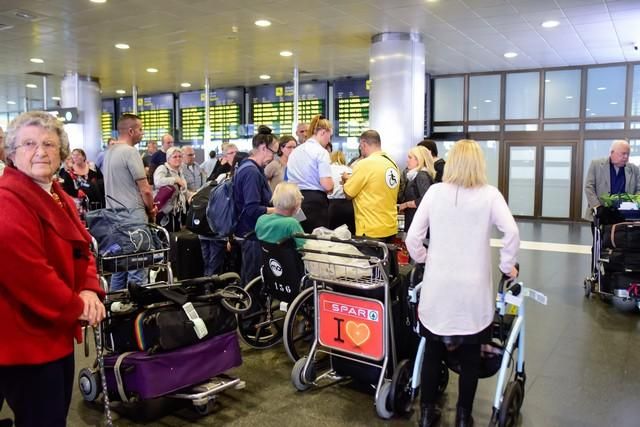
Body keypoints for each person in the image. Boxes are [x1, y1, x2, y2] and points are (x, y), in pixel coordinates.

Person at [0, 111, 106, 427]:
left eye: (49, 143)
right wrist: (78, 307)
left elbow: (82, 245)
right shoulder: (9, 201)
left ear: (61, 153)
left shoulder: (54, 192)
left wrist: (88, 287)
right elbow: (31, 276)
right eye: (29, 143)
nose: (40, 151)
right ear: (11, 153)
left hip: (52, 332)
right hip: (24, 339)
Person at [405, 139, 519, 427]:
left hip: (438, 285)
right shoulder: (490, 195)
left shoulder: (434, 193)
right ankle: (464, 416)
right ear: (480, 164)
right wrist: (507, 266)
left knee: (432, 348)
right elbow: (512, 233)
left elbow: (412, 238)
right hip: (474, 288)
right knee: (470, 355)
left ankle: (428, 413)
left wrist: (424, 258)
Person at [103, 113, 157, 291]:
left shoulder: (109, 152)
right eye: (140, 129)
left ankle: (115, 311)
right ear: (131, 131)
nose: (142, 133)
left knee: (120, 269)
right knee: (137, 271)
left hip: (113, 217)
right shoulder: (130, 152)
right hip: (133, 218)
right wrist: (151, 209)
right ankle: (136, 316)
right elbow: (145, 189)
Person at [233, 125, 278, 284]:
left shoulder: (248, 166)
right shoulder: (251, 172)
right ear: (264, 148)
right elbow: (252, 209)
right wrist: (278, 210)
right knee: (252, 282)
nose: (274, 157)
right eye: (274, 152)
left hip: (252, 232)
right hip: (250, 234)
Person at [343, 130, 399, 241]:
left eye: (360, 146)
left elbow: (348, 194)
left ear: (363, 144)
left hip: (370, 229)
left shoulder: (365, 164)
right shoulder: (392, 163)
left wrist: (346, 180)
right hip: (391, 227)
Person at [287, 115, 334, 232]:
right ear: (323, 132)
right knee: (316, 243)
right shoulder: (321, 152)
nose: (329, 140)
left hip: (296, 202)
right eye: (330, 136)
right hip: (315, 204)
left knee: (299, 237)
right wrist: (333, 185)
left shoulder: (295, 151)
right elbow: (327, 185)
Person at [584, 139, 640, 220]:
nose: (626, 157)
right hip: (601, 212)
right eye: (623, 154)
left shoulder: (634, 169)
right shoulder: (596, 165)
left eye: (628, 154)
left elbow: (638, 189)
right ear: (612, 153)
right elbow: (589, 187)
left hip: (625, 215)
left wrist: (635, 204)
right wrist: (597, 206)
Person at [255, 182, 305, 248]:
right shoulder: (292, 223)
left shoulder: (261, 219)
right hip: (288, 257)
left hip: (265, 257)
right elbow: (303, 247)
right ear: (296, 203)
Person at [398, 146, 436, 231]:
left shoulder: (421, 176)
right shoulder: (416, 175)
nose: (407, 160)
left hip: (418, 226)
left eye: (410, 157)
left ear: (419, 159)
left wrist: (406, 204)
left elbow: (426, 200)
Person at [59, 148, 105, 212]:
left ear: (84, 157)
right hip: (79, 204)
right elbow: (65, 187)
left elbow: (102, 180)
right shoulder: (69, 170)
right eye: (73, 155)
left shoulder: (92, 166)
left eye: (78, 155)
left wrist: (94, 185)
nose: (75, 157)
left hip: (95, 202)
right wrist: (76, 192)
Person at [153, 146, 188, 232]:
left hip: (177, 210)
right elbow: (157, 181)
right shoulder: (163, 168)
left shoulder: (179, 171)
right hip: (164, 211)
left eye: (180, 156)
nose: (178, 159)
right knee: (165, 237)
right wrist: (175, 180)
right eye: (175, 157)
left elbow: (183, 189)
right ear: (168, 159)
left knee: (175, 237)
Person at [328, 150, 355, 233]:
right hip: (349, 205)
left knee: (332, 235)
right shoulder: (350, 170)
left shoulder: (328, 169)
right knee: (348, 234)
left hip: (331, 206)